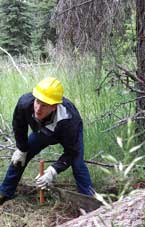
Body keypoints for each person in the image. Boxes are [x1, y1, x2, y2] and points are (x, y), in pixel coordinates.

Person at [0, 77, 93, 205]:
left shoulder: (70, 120)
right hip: (43, 132)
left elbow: (71, 151)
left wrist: (53, 171)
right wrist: (21, 148)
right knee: (20, 158)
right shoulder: (24, 103)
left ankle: (90, 201)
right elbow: (19, 126)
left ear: (54, 106)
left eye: (44, 105)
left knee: (77, 163)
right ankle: (4, 192)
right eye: (37, 102)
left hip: (65, 133)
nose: (38, 108)